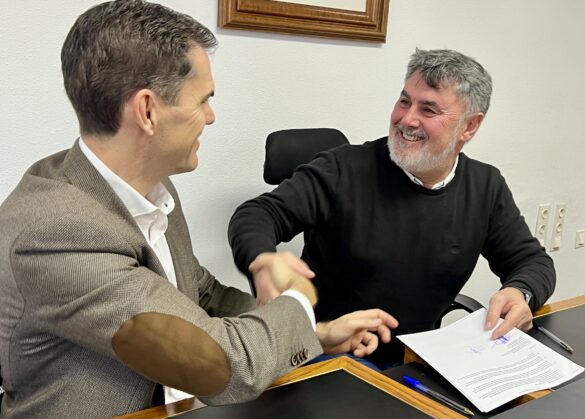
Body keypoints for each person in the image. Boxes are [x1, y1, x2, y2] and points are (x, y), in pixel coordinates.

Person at [0, 1, 398, 417]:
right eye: (202, 100)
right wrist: (298, 298)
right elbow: (222, 365)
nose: (210, 116)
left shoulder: (151, 187)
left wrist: (314, 333)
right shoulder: (55, 232)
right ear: (148, 111)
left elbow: (200, 293)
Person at [228, 48, 556, 369]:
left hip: (418, 361)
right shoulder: (343, 168)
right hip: (329, 357)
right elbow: (258, 214)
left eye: (428, 110)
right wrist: (262, 259)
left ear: (469, 126)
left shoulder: (485, 185)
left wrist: (521, 292)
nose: (406, 119)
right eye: (404, 101)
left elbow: (531, 261)